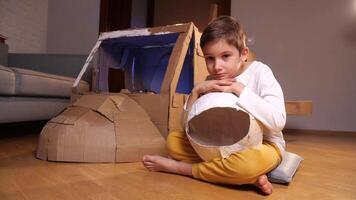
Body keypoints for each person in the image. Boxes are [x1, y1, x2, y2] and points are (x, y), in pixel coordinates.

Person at [142, 16, 286, 195]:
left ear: (243, 53)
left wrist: (240, 90)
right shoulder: (211, 81)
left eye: (225, 56)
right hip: (217, 146)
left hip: (261, 146)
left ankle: (184, 169)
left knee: (248, 164)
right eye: (209, 58)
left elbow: (278, 121)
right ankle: (245, 178)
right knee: (173, 142)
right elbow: (187, 127)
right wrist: (195, 93)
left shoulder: (260, 72)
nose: (217, 66)